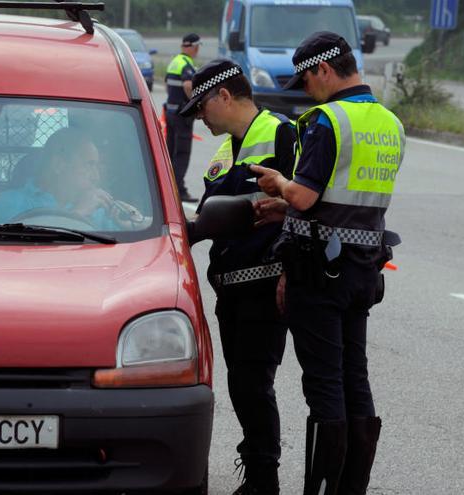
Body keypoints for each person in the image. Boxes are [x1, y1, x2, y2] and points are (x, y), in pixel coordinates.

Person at [250, 32, 404, 495]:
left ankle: (321, 488)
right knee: (355, 375)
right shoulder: (389, 122)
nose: (306, 90)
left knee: (324, 383)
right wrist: (291, 207)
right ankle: (350, 488)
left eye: (308, 80)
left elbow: (308, 193)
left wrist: (279, 186)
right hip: (364, 266)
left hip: (319, 271)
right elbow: (351, 200)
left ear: (323, 69)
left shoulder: (327, 120)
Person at [180, 59, 296, 495]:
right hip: (230, 286)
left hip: (265, 285)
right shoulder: (226, 149)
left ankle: (263, 477)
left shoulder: (282, 134)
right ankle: (258, 469)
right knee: (241, 384)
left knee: (253, 383)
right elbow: (213, 217)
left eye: (200, 107)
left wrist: (289, 270)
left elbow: (301, 207)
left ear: (224, 96)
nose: (198, 118)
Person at [0, 128, 142, 230]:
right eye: (89, 165)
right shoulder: (13, 201)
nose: (96, 176)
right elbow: (18, 249)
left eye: (97, 166)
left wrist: (135, 221)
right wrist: (78, 214)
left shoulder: (98, 207)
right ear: (59, 165)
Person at [164, 33, 200, 203]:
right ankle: (178, 190)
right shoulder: (187, 65)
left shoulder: (174, 62)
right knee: (182, 153)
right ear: (193, 47)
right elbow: (187, 84)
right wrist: (194, 103)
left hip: (170, 113)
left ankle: (168, 186)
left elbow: (167, 86)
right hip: (181, 115)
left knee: (170, 152)